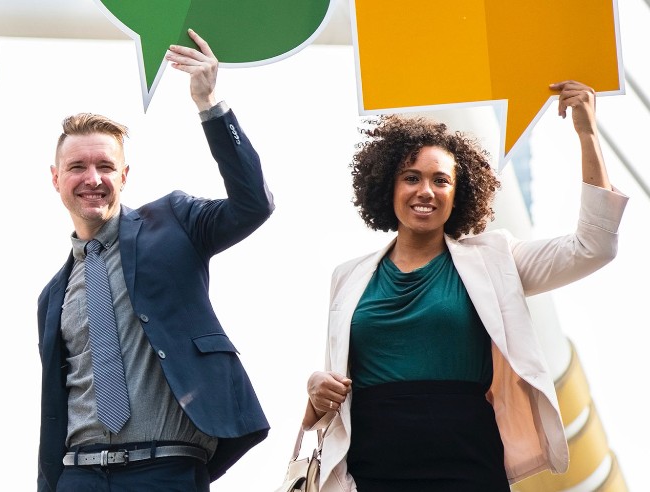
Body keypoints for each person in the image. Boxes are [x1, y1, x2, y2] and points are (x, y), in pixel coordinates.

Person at [303, 81, 627, 491]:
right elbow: (337, 383)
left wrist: (587, 133)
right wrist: (316, 389)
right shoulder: (348, 277)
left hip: (466, 461)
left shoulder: (494, 260)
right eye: (411, 177)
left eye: (441, 180)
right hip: (372, 466)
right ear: (389, 186)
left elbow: (592, 247)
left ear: (459, 194)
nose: (425, 191)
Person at [35, 29, 275, 492]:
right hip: (79, 474)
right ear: (56, 179)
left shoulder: (174, 221)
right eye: (78, 168)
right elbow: (54, 405)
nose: (93, 179)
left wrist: (210, 103)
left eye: (105, 167)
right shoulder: (53, 295)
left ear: (124, 175)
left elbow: (253, 205)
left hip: (166, 470)